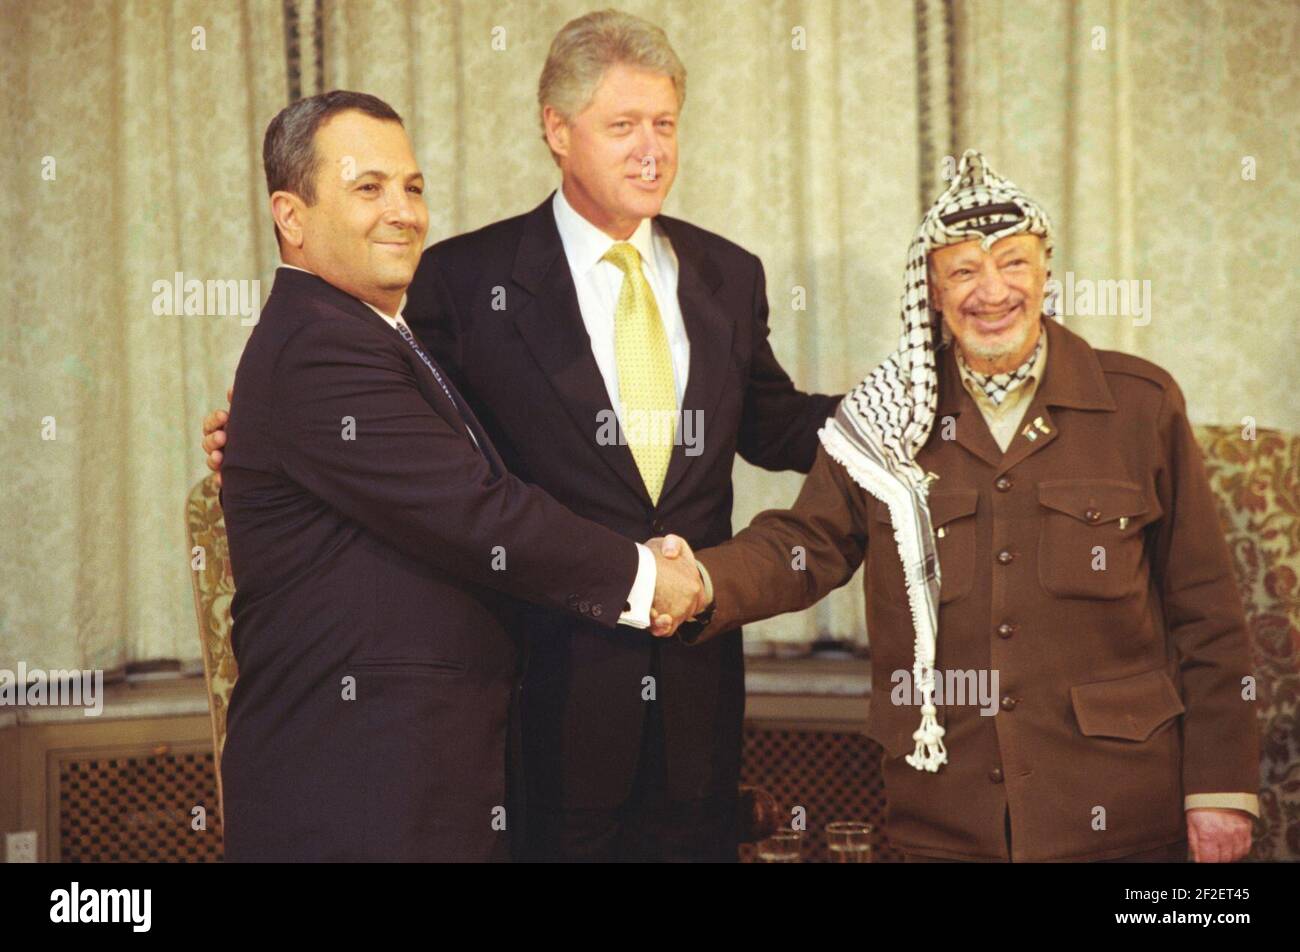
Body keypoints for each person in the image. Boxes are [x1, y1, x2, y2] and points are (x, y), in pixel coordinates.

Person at [680, 150, 1260, 863]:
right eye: (964, 271)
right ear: (932, 289)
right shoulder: (885, 418)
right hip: (948, 822)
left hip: (1123, 820)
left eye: (1013, 263)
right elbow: (803, 545)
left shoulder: (1140, 405)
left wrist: (1220, 789)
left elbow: (1208, 612)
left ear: (1047, 270)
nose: (993, 291)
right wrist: (699, 581)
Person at [215, 89, 702, 862]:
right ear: (292, 216)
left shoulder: (379, 338)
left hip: (414, 777)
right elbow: (479, 513)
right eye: (367, 188)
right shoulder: (321, 347)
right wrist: (647, 580)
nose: (403, 211)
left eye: (412, 186)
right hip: (356, 791)